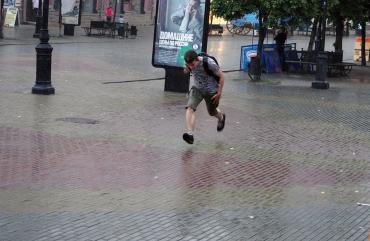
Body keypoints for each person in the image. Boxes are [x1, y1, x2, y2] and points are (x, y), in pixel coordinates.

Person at [182, 49, 226, 144]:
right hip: (197, 88)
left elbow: (222, 76)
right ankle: (190, 134)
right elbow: (186, 71)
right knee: (190, 108)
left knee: (212, 112)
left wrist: (219, 93)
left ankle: (221, 117)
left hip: (211, 91)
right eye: (189, 65)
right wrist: (186, 69)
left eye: (193, 65)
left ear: (197, 59)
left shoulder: (209, 63)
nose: (192, 67)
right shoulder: (188, 63)